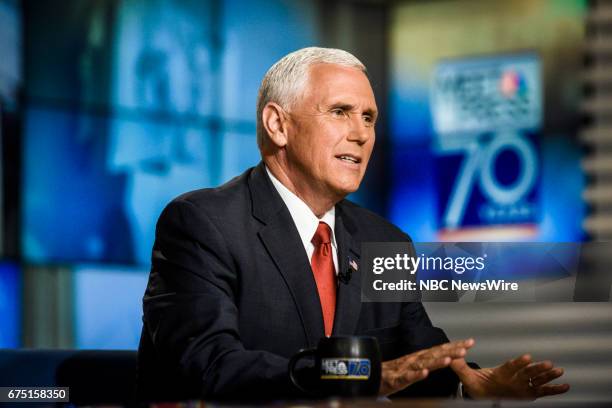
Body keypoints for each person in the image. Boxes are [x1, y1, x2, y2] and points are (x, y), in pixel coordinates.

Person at [137, 47, 569, 402]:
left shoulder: (385, 241)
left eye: (369, 117)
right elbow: (208, 364)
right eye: (341, 112)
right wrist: (354, 374)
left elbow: (413, 356)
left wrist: (469, 381)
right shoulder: (203, 223)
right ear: (278, 124)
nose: (361, 134)